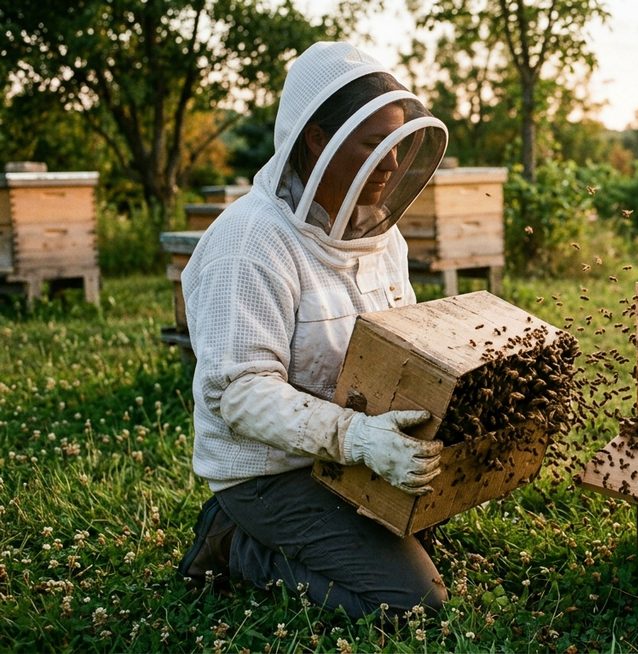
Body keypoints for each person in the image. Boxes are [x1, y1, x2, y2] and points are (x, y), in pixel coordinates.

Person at [175, 41, 451, 621]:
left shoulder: (383, 238)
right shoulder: (250, 242)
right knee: (413, 603)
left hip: (350, 458)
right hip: (269, 474)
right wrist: (359, 438)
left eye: (397, 143)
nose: (391, 162)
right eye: (372, 144)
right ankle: (237, 544)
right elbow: (237, 391)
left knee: (433, 525)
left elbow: (403, 348)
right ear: (318, 139)